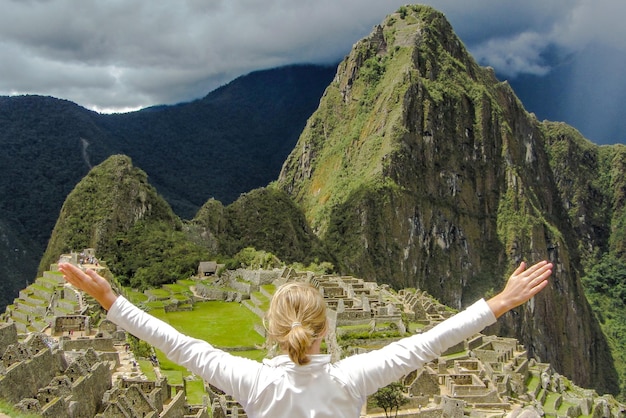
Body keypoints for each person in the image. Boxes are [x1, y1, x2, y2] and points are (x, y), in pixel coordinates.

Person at [58, 260, 552, 418]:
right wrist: (500, 302)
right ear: (325, 329)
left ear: (272, 332)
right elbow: (427, 342)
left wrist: (111, 301)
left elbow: (180, 346)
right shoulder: (351, 379)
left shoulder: (251, 382)